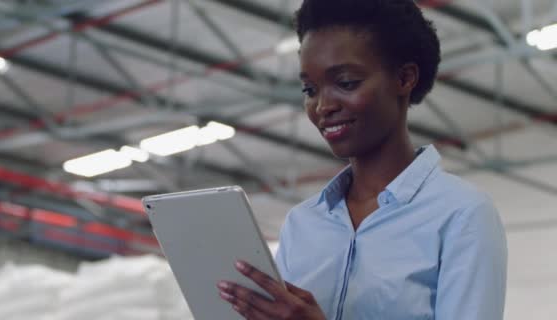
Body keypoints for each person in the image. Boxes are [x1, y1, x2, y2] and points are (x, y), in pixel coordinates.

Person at [217, 0, 508, 319]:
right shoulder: (302, 224)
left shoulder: (460, 214)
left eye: (346, 83)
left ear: (404, 78)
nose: (322, 106)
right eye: (310, 89)